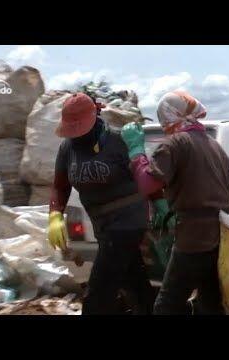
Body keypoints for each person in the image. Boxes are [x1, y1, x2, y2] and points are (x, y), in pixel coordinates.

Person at [120, 90, 229, 315]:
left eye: (163, 120)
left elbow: (146, 185)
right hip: (219, 236)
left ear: (171, 117)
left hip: (193, 238)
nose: (163, 126)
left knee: (167, 304)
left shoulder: (176, 144)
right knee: (209, 301)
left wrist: (136, 151)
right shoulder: (214, 146)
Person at [48, 92, 154, 315]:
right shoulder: (67, 149)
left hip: (128, 222)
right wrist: (55, 214)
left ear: (95, 118)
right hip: (103, 226)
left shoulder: (117, 142)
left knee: (99, 291)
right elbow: (60, 185)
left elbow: (146, 177)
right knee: (135, 282)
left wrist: (159, 209)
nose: (76, 135)